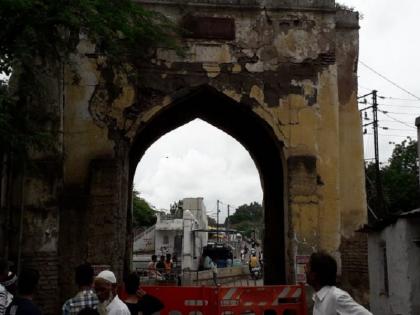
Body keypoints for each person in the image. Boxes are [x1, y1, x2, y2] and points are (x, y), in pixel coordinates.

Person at [306, 252, 372, 315]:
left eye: (307, 267)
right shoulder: (318, 298)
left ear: (314, 275)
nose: (305, 270)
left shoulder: (336, 297)